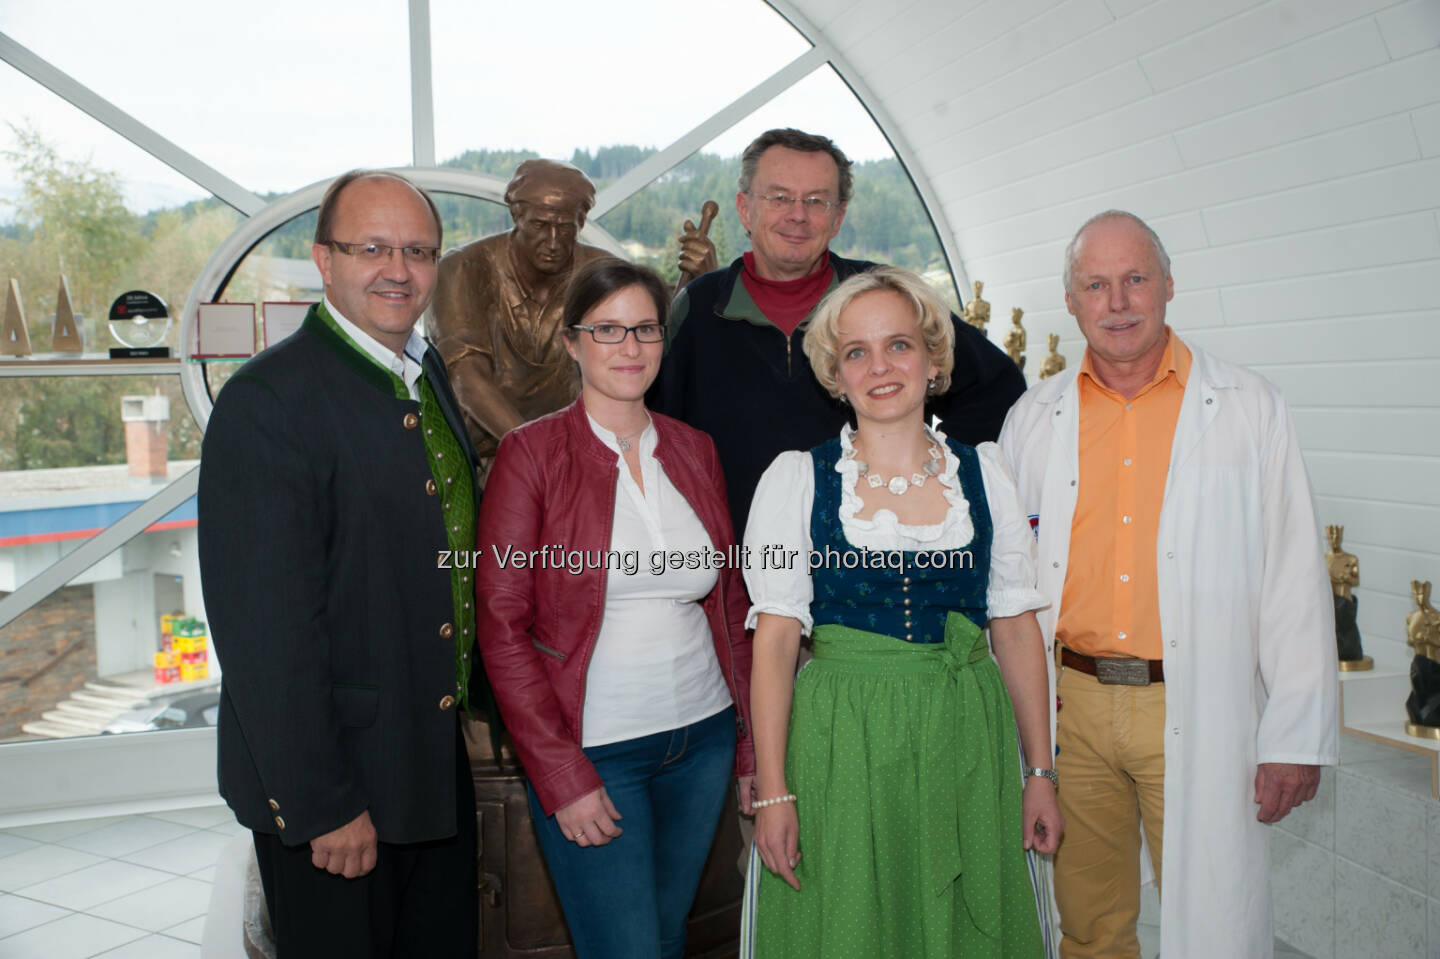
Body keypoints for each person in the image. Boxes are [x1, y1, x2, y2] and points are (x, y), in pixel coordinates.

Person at [998, 210, 1339, 958]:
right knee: (1087, 922)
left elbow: (1293, 577)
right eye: (1096, 284)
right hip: (1071, 711)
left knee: (1213, 921)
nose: (1117, 301)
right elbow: (1006, 582)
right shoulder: (1034, 418)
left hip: (1195, 698)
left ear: (1169, 286)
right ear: (1073, 300)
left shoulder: (1249, 408)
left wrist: (1296, 733)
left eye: (1134, 279)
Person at [197, 170, 487, 956]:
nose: (399, 268)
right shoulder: (270, 401)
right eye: (373, 248)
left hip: (427, 765)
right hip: (337, 788)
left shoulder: (423, 374)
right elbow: (265, 631)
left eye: (419, 250)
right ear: (324, 260)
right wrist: (322, 802)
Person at [744, 266, 1062, 958]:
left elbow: (1012, 626)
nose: (880, 367)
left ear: (934, 358)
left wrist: (1039, 773)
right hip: (843, 740)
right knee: (852, 925)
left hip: (966, 736)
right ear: (836, 373)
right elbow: (773, 646)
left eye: (899, 345)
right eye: (856, 351)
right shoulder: (798, 480)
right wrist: (774, 792)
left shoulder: (985, 473)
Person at [474, 258, 756, 959]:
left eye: (645, 328)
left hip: (702, 738)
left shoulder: (694, 449)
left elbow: (731, 604)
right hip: (596, 750)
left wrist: (751, 744)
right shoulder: (530, 454)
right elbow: (501, 628)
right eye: (607, 329)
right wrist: (562, 775)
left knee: (663, 937)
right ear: (571, 342)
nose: (630, 347)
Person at [649, 128, 1025, 537]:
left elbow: (997, 390)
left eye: (816, 201)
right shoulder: (698, 307)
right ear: (744, 208)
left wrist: (940, 468)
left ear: (838, 216)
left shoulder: (885, 301)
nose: (798, 214)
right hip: (731, 567)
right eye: (779, 198)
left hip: (865, 565)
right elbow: (654, 430)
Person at [429, 158, 610, 472]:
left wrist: (693, 283)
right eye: (540, 225)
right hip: (479, 461)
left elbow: (643, 344)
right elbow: (466, 376)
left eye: (566, 228)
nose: (553, 242)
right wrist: (538, 456)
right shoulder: (464, 268)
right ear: (516, 215)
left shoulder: (600, 273)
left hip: (575, 459)